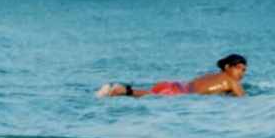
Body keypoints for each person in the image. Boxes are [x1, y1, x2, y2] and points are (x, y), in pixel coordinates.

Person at [97, 53, 247, 98]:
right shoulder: (231, 82)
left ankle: (120, 89)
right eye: (239, 68)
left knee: (150, 93)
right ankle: (121, 90)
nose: (241, 73)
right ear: (227, 67)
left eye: (244, 70)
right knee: (150, 95)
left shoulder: (211, 75)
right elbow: (243, 100)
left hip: (175, 85)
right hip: (179, 92)